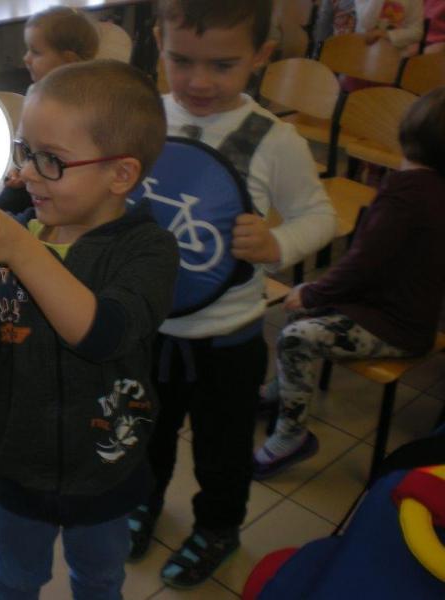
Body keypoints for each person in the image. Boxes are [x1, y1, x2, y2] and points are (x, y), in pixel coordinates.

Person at [0, 60, 178, 600]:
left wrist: (23, 252)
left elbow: (102, 334)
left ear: (121, 175)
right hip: (16, 462)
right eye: (25, 151)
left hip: (106, 466)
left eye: (51, 160)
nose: (26, 174)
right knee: (16, 576)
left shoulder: (148, 251)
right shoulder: (15, 241)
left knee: (99, 579)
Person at [127, 0, 337, 589]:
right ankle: (142, 503)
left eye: (222, 65)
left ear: (260, 56)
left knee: (222, 452)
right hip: (149, 327)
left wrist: (276, 243)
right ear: (159, 43)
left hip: (227, 339)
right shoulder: (142, 118)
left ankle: (218, 528)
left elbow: (319, 215)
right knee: (143, 435)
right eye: (181, 61)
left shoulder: (275, 140)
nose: (199, 81)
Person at [254, 86, 445, 479]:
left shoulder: (405, 196)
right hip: (390, 309)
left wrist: (313, 291)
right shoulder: (429, 189)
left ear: (406, 131)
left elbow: (361, 263)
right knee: (302, 310)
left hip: (395, 326)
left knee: (295, 336)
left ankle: (292, 436)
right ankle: (279, 394)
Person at [0, 6, 99, 212]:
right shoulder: (35, 92)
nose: (26, 58)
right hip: (30, 177)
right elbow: (22, 143)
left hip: (59, 187)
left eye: (35, 52)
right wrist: (17, 169)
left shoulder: (88, 105)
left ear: (68, 60)